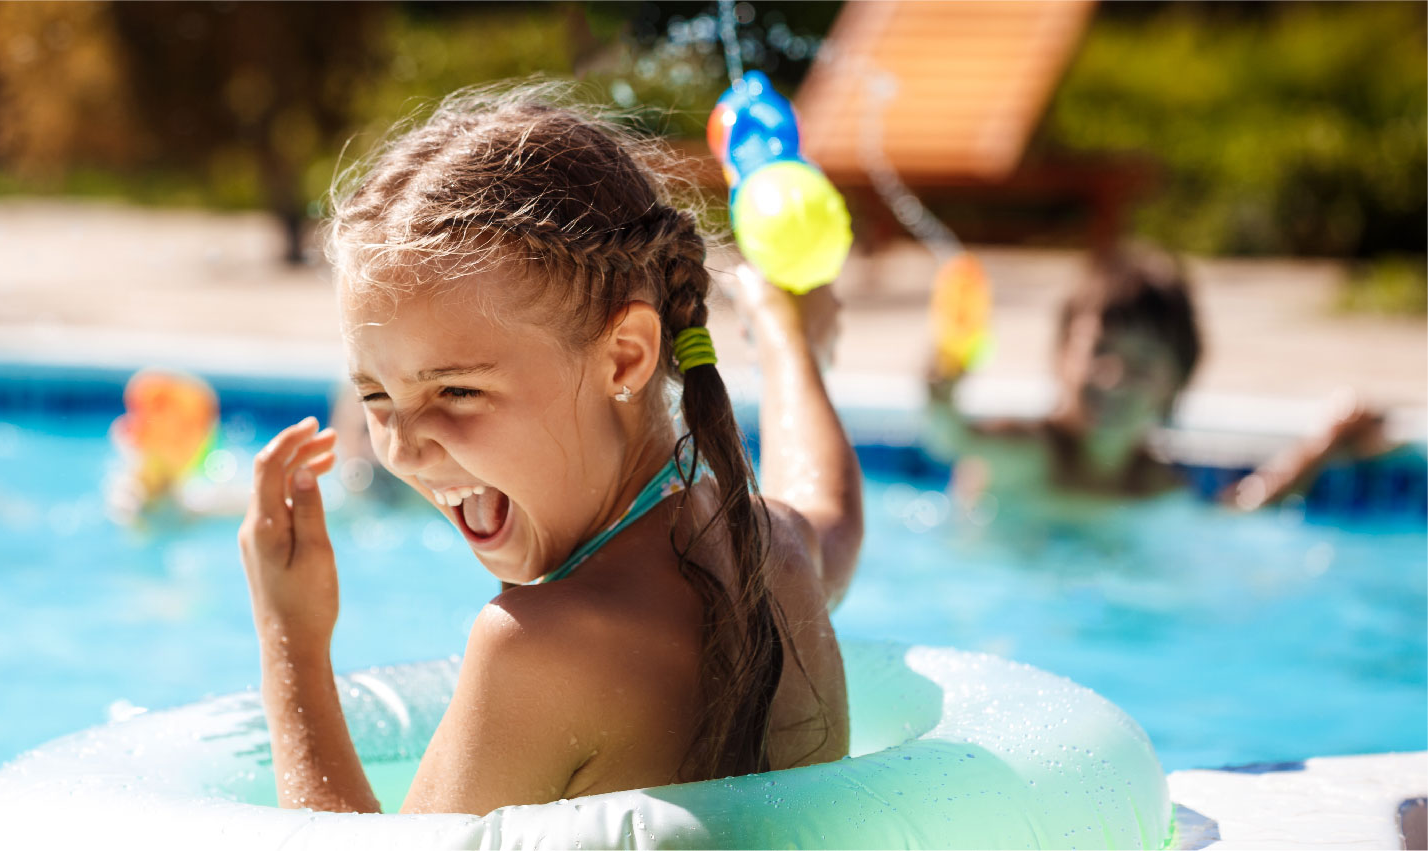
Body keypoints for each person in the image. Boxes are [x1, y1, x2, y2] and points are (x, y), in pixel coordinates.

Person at [235, 84, 864, 815]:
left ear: (626, 356)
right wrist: (790, 339)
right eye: (376, 398)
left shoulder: (536, 649)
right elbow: (830, 513)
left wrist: (292, 643)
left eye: (456, 392)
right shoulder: (771, 550)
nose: (400, 450)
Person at [924, 244, 1390, 516]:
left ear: (1176, 384)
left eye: (1144, 363)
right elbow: (951, 436)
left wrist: (1322, 445)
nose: (1116, 377)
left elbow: (1234, 517)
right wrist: (942, 389)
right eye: (1100, 351)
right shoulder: (1030, 451)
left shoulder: (1153, 483)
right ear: (1062, 353)